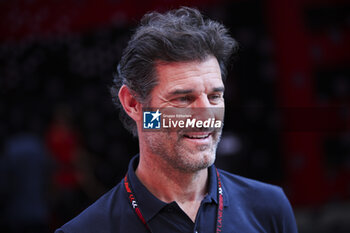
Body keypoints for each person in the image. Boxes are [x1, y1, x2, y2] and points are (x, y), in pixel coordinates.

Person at [55, 7, 298, 233]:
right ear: (133, 104)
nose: (205, 116)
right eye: (183, 99)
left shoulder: (269, 208)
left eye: (214, 96)